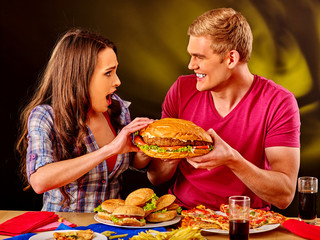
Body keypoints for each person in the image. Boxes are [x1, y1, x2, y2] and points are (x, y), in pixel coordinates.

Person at [147, 8, 300, 211]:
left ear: (231, 59)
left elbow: (285, 195)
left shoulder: (278, 102)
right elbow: (155, 177)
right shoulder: (181, 90)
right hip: (183, 216)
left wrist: (232, 159)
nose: (191, 65)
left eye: (199, 57)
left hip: (247, 221)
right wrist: (179, 148)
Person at [16, 28, 153, 212]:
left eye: (116, 71)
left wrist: (144, 150)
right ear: (80, 77)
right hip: (64, 230)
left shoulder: (117, 108)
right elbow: (39, 181)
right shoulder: (44, 116)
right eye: (108, 73)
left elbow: (132, 163)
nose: (117, 81)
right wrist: (109, 150)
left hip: (113, 229)